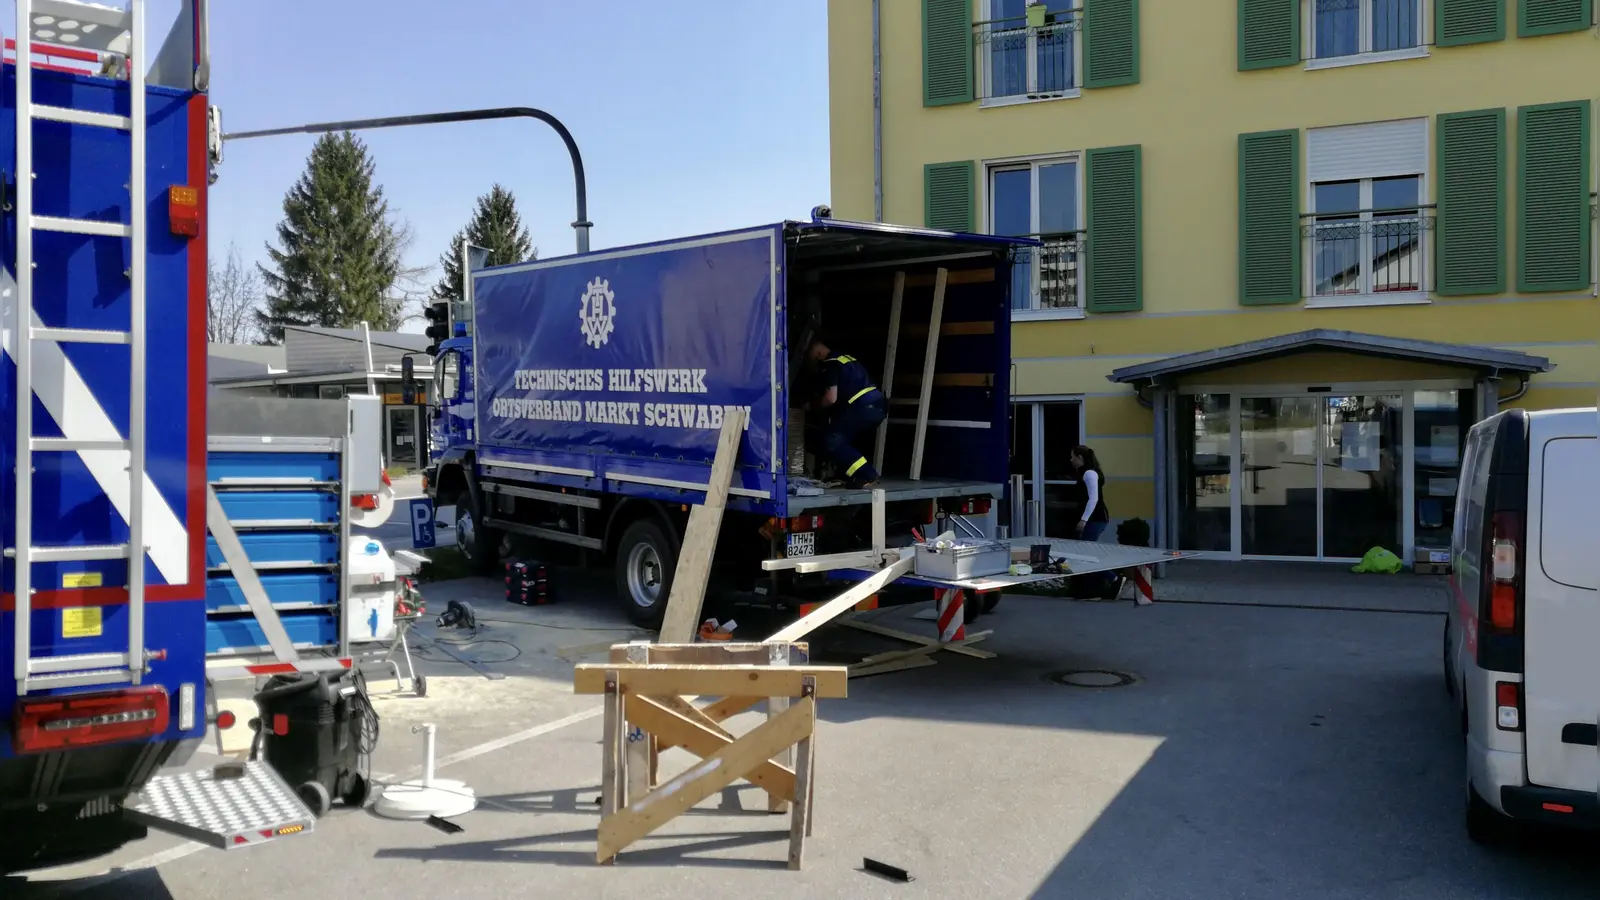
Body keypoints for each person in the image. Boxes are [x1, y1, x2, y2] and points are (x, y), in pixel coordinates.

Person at [805, 338, 886, 489]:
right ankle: (846, 474)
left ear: (818, 354)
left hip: (861, 408)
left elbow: (830, 398)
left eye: (813, 360)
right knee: (842, 439)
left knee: (830, 440)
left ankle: (867, 474)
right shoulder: (847, 359)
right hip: (876, 407)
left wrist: (812, 406)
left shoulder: (830, 364)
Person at [1067, 444, 1118, 597]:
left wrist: (1083, 520)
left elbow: (1093, 498)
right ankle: (1103, 583)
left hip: (1095, 519)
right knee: (1086, 554)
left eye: (1073, 456)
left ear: (1080, 458)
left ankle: (1109, 580)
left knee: (1086, 555)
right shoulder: (1087, 472)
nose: (1071, 460)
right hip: (1095, 518)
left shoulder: (1089, 473)